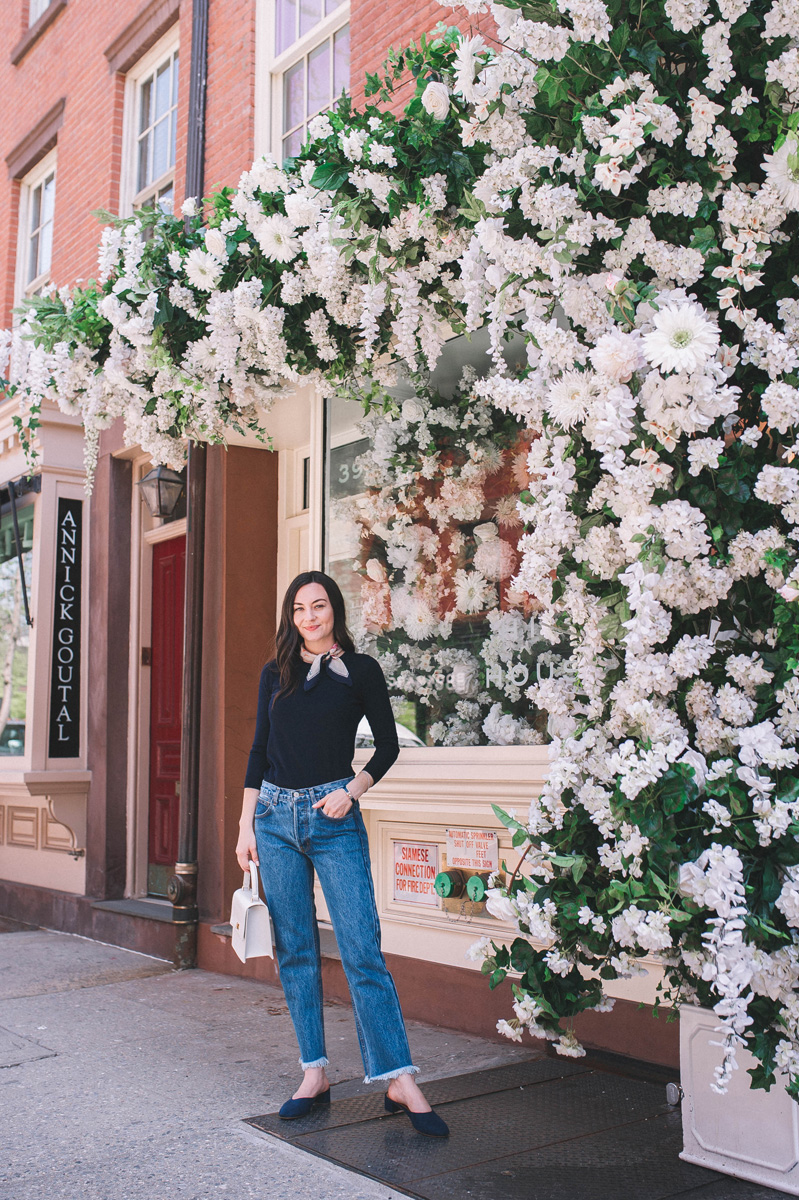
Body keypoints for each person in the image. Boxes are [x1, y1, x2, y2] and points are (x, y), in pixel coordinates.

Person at [236, 570, 449, 1138]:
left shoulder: (360, 671)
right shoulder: (273, 674)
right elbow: (259, 751)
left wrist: (350, 791)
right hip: (275, 819)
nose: (310, 616)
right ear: (291, 616)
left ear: (335, 612)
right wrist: (245, 825)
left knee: (361, 949)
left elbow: (388, 744)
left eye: (320, 606)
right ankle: (314, 1072)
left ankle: (398, 1079)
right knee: (297, 950)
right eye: (300, 608)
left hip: (334, 820)